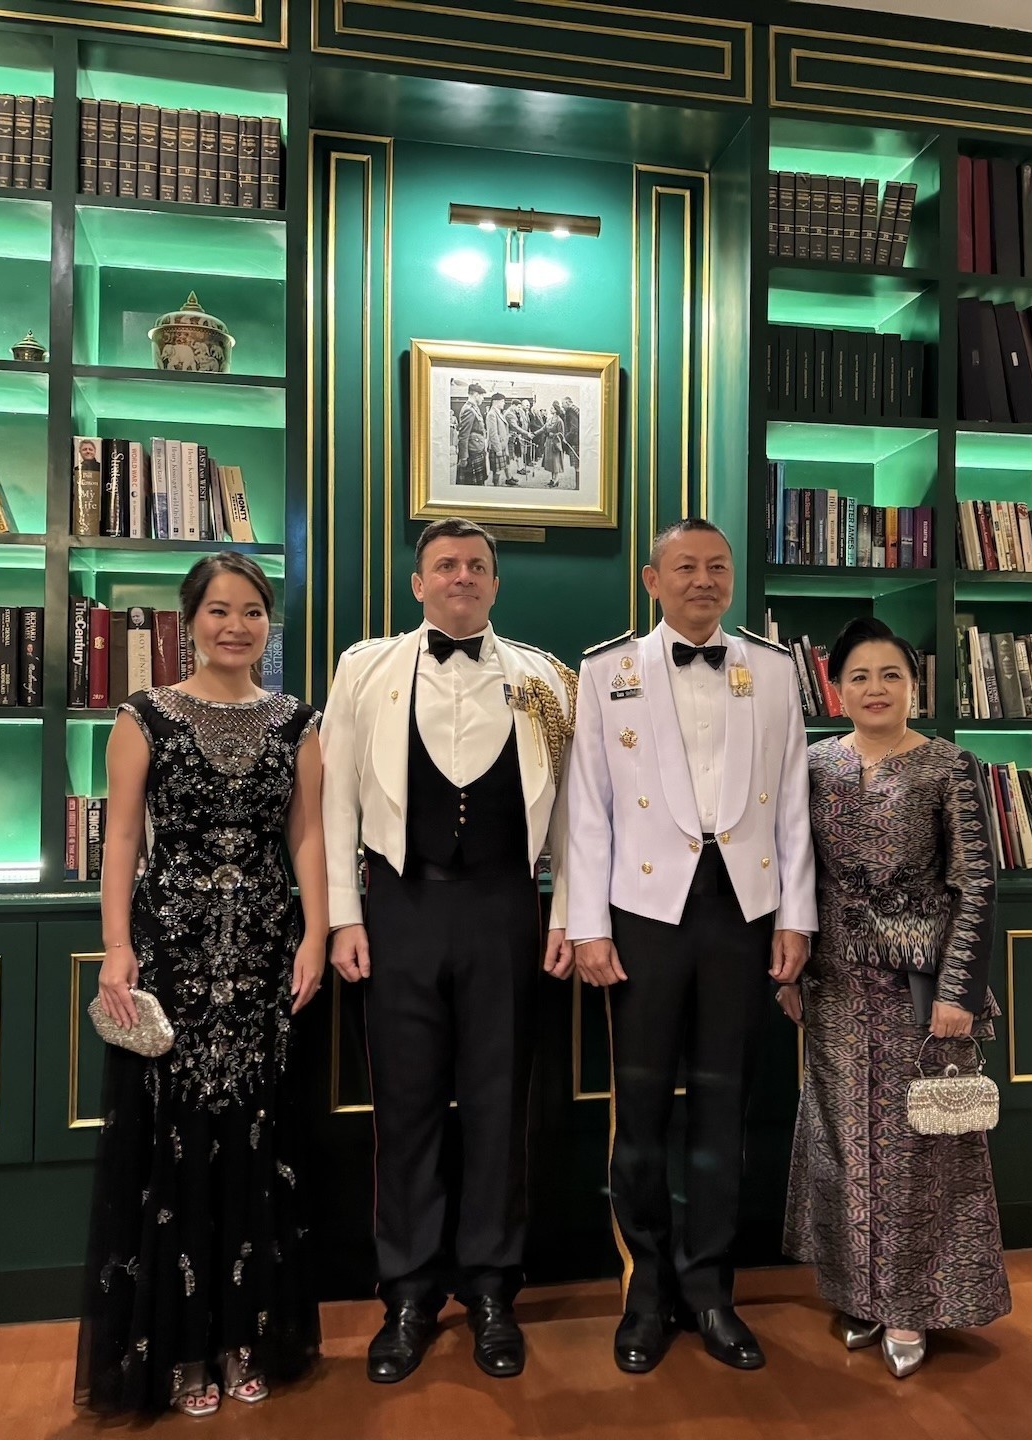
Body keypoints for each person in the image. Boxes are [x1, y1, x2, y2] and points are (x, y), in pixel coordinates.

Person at [321, 517, 577, 1384]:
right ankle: (407, 1295)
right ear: (419, 583)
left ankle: (494, 1290)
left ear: (495, 584)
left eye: (475, 566)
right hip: (401, 904)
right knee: (406, 1108)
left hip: (507, 906)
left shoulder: (548, 679)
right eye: (444, 565)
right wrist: (344, 916)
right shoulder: (364, 669)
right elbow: (336, 801)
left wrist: (567, 914)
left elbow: (575, 809)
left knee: (501, 1108)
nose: (461, 576)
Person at [77, 552, 326, 1419]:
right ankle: (179, 1350)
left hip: (262, 954)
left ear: (268, 623)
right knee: (172, 1145)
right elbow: (120, 841)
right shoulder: (142, 716)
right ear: (190, 621)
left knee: (256, 1139)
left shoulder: (296, 721)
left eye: (252, 611)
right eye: (219, 610)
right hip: (171, 954)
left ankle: (242, 1338)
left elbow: (307, 836)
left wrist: (316, 933)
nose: (235, 626)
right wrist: (116, 946)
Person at [567, 517, 815, 1375]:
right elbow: (588, 806)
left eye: (717, 566)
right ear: (652, 579)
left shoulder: (772, 669)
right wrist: (588, 925)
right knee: (638, 1111)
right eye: (685, 567)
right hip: (643, 911)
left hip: (743, 911)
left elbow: (792, 802)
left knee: (723, 1108)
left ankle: (711, 1290)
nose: (703, 580)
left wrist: (795, 916)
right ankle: (646, 1293)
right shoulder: (607, 670)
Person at [780, 616, 1011, 1380]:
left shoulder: (948, 764)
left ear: (914, 687)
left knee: (920, 1152)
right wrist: (791, 974)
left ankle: (912, 1303)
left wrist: (958, 991)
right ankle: (862, 1294)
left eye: (890, 676)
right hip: (834, 984)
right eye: (859, 677)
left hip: (920, 987)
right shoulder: (814, 764)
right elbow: (794, 873)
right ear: (836, 689)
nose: (875, 689)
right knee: (843, 1143)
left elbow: (976, 883)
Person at [455, 381, 487, 486]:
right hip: (472, 453)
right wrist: (463, 457)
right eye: (482, 396)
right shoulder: (469, 410)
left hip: (476, 449)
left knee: (478, 483)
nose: (483, 398)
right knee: (471, 485)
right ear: (476, 395)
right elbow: (463, 436)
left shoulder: (474, 408)